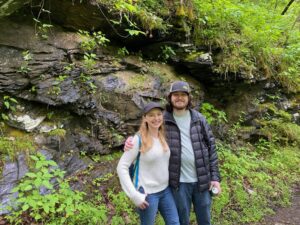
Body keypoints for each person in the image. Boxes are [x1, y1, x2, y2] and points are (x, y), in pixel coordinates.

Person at [124, 81, 221, 225]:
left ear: (189, 98)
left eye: (183, 95)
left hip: (202, 180)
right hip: (178, 183)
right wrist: (131, 140)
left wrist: (215, 178)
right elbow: (146, 130)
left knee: (205, 219)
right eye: (176, 95)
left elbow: (211, 148)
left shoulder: (199, 119)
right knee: (182, 220)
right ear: (170, 97)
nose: (179, 98)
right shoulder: (163, 119)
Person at [117, 102, 180, 225]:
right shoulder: (138, 140)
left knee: (174, 222)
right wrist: (134, 195)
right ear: (145, 118)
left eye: (158, 114)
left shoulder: (162, 136)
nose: (156, 118)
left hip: (165, 190)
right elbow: (121, 167)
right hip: (147, 193)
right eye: (151, 115)